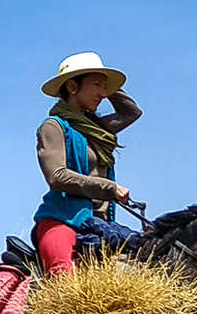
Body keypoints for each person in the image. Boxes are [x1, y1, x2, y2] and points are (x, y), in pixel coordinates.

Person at [30, 52, 141, 275]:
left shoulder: (97, 129)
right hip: (62, 222)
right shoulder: (54, 127)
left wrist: (109, 85)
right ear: (72, 87)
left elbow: (131, 112)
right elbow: (57, 176)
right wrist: (110, 188)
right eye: (96, 85)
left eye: (105, 87)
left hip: (100, 226)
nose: (102, 93)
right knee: (64, 286)